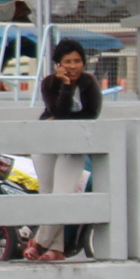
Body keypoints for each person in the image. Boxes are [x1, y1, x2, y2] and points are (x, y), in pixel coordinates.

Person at [28, 40, 101, 261]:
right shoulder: (49, 83)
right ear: (58, 64)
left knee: (62, 194)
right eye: (67, 61)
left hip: (74, 145)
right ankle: (57, 249)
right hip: (46, 140)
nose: (73, 66)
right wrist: (66, 86)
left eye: (77, 61)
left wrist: (64, 117)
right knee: (47, 193)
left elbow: (91, 113)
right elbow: (57, 110)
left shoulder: (90, 83)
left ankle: (39, 241)